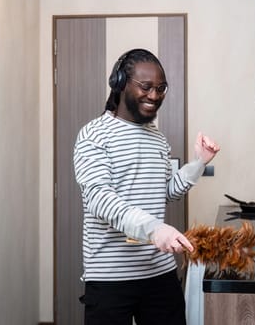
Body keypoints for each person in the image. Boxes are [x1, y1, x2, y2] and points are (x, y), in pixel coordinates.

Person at [73, 48, 220, 325]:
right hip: (110, 279)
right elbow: (100, 199)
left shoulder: (157, 138)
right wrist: (155, 229)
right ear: (120, 83)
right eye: (146, 87)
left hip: (159, 272)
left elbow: (165, 191)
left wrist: (199, 162)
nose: (154, 95)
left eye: (161, 88)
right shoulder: (93, 135)